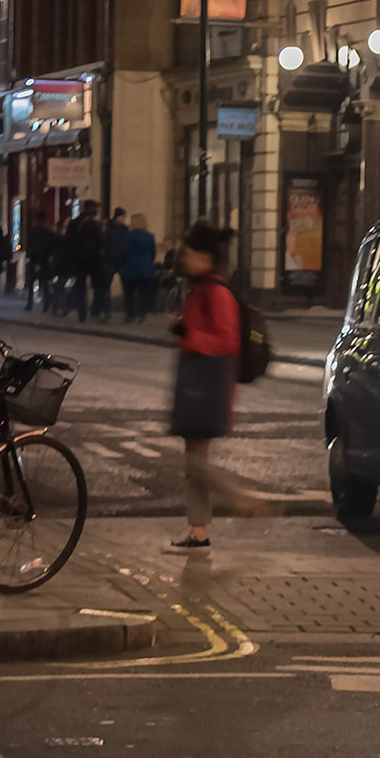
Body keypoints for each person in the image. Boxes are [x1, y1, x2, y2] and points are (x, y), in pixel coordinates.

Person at [165, 222, 266, 553]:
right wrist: (183, 329)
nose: (186, 259)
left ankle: (241, 499)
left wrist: (187, 335)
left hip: (209, 389)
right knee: (192, 464)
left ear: (206, 257)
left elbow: (226, 341)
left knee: (196, 464)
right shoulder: (199, 288)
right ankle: (198, 532)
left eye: (191, 253)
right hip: (196, 384)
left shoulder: (218, 292)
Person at [63, 201, 106, 321]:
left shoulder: (73, 223)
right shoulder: (95, 224)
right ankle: (95, 311)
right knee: (98, 285)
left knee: (80, 286)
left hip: (78, 259)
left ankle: (82, 313)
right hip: (93, 259)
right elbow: (101, 241)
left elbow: (67, 242)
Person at [121, 214, 158, 323]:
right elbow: (153, 253)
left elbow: (125, 252)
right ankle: (142, 314)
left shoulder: (129, 236)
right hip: (146, 268)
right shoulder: (150, 236)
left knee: (129, 293)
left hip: (131, 268)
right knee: (143, 292)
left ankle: (130, 315)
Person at [24, 215, 59, 312]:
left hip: (36, 260)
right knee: (44, 284)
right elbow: (49, 248)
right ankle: (46, 304)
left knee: (33, 283)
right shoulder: (48, 232)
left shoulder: (35, 230)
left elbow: (35, 247)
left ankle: (30, 304)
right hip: (44, 260)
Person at [103, 207, 131, 321]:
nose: (123, 219)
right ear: (119, 216)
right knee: (110, 287)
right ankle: (108, 312)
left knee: (107, 287)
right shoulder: (122, 229)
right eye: (123, 216)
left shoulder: (108, 227)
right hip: (116, 260)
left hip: (112, 259)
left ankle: (107, 312)